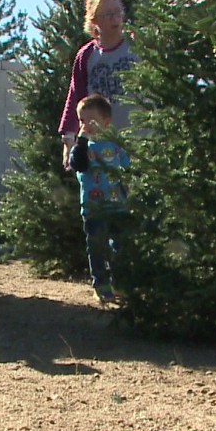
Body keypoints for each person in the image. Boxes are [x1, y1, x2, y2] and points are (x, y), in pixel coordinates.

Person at [58, 0, 139, 169]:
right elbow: (75, 98)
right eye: (108, 14)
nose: (116, 18)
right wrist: (68, 139)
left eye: (118, 12)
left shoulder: (137, 45)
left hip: (140, 144)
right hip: (101, 151)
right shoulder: (87, 55)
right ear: (94, 19)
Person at [68, 94, 131, 303]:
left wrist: (130, 188)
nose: (84, 125)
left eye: (90, 121)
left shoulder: (115, 146)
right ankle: (100, 284)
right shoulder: (82, 148)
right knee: (95, 246)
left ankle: (120, 282)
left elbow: (128, 168)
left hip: (117, 205)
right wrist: (82, 140)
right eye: (81, 121)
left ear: (106, 122)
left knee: (120, 245)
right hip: (93, 208)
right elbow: (77, 164)